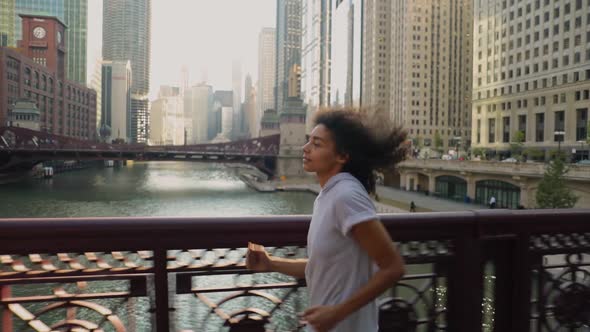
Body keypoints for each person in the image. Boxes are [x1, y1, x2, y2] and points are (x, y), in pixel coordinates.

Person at [246, 109, 407, 332]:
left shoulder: (346, 196)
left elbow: (393, 267)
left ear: (342, 156)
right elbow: (321, 267)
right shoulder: (328, 195)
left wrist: (336, 313)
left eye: (317, 144)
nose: (305, 148)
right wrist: (271, 263)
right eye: (308, 141)